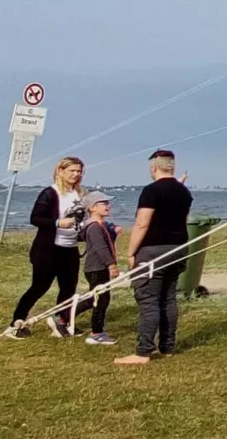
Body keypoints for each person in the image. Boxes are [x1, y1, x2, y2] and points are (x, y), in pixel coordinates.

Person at [114, 149, 192, 366]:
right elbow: (183, 221)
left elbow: (142, 223)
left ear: (153, 167)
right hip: (178, 247)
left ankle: (143, 351)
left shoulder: (152, 191)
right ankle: (167, 346)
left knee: (148, 300)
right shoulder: (184, 192)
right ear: (172, 167)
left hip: (153, 250)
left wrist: (130, 252)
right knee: (168, 297)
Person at [4, 156, 86, 340]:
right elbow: (35, 218)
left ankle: (61, 323)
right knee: (40, 287)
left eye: (79, 171)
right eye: (72, 170)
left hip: (70, 249)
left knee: (68, 289)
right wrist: (57, 222)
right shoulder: (50, 193)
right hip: (48, 249)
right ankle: (16, 323)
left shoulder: (79, 193)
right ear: (61, 171)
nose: (76, 174)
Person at [79, 191, 120, 346]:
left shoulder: (100, 225)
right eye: (104, 203)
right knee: (100, 300)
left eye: (107, 203)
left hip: (97, 268)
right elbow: (101, 248)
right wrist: (111, 265)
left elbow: (107, 242)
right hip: (96, 268)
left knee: (95, 298)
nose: (108, 206)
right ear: (92, 208)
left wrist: (114, 232)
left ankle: (63, 317)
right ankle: (96, 333)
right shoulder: (94, 227)